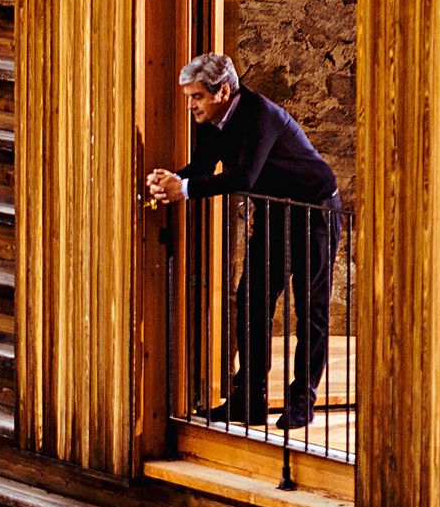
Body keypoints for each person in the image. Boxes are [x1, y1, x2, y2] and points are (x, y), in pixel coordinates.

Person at [139, 53, 341, 430]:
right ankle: (249, 401)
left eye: (197, 96)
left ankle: (302, 402)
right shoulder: (210, 120)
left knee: (310, 310)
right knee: (252, 300)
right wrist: (169, 182)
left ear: (223, 92)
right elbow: (200, 170)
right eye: (189, 97)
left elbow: (244, 177)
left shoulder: (259, 114)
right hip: (274, 212)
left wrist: (184, 189)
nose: (191, 105)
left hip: (316, 210)